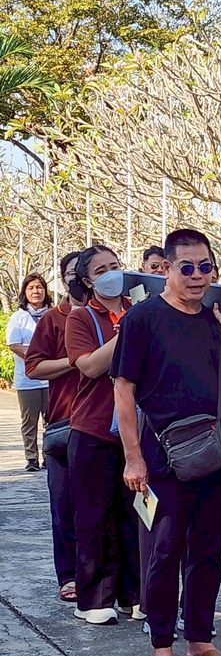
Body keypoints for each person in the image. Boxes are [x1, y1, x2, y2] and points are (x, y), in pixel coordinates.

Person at [113, 227, 221, 656]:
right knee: (165, 552)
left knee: (209, 549)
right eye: (187, 267)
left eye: (206, 267)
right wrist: (133, 458)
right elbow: (123, 391)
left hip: (213, 450)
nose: (197, 275)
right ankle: (162, 645)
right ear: (166, 269)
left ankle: (200, 641)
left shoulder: (213, 321)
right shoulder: (143, 319)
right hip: (161, 453)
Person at [64, 246, 140, 626]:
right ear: (87, 281)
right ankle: (94, 598)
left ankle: (135, 595)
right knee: (94, 517)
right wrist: (126, 330)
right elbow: (90, 366)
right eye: (101, 270)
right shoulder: (81, 317)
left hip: (137, 431)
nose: (111, 273)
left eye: (115, 266)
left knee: (135, 517)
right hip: (93, 429)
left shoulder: (140, 308)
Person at [25, 252, 83, 602]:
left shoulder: (119, 315)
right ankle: (70, 574)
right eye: (72, 272)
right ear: (64, 279)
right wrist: (77, 362)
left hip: (110, 424)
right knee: (64, 504)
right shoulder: (53, 318)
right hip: (65, 420)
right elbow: (34, 367)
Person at [6, 272, 51, 471]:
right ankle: (31, 458)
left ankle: (49, 456)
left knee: (52, 420)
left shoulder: (52, 315)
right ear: (24, 292)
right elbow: (14, 344)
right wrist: (36, 359)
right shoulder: (18, 317)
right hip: (28, 379)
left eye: (39, 287)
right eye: (31, 288)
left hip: (51, 378)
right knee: (29, 421)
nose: (36, 291)